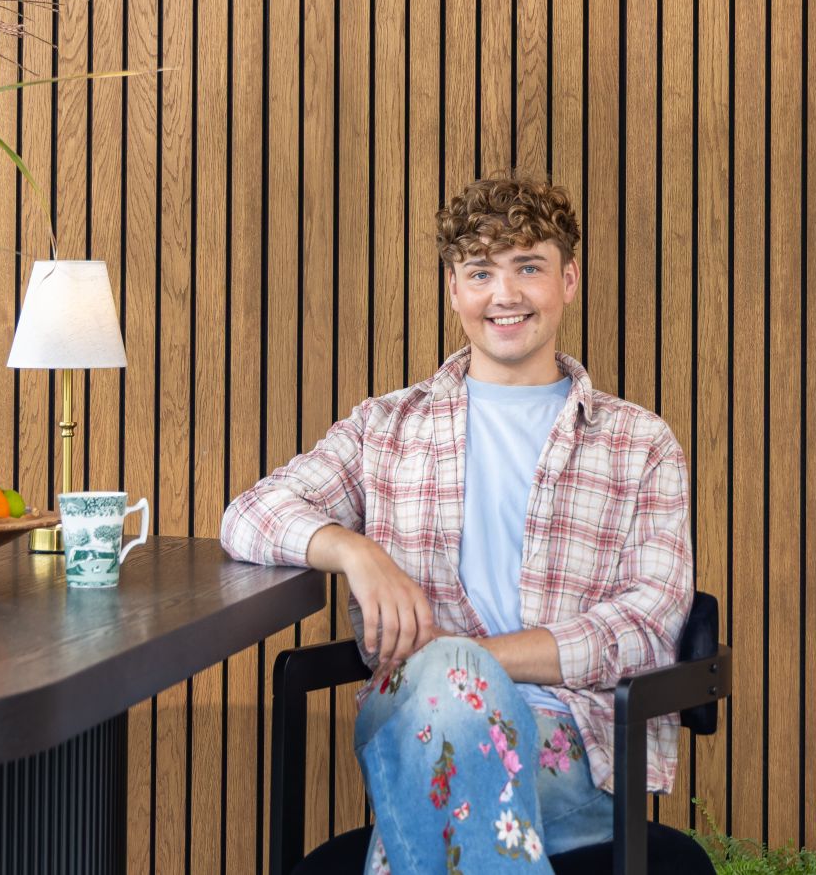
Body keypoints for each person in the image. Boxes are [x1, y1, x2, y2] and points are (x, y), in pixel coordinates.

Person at [221, 172, 694, 873]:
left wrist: (473, 657)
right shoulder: (385, 427)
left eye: (527, 267)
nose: (504, 295)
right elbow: (249, 515)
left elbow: (649, 623)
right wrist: (355, 553)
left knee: (436, 747)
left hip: (571, 749)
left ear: (568, 279)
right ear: (454, 290)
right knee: (440, 709)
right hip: (416, 716)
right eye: (481, 272)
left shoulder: (641, 442)